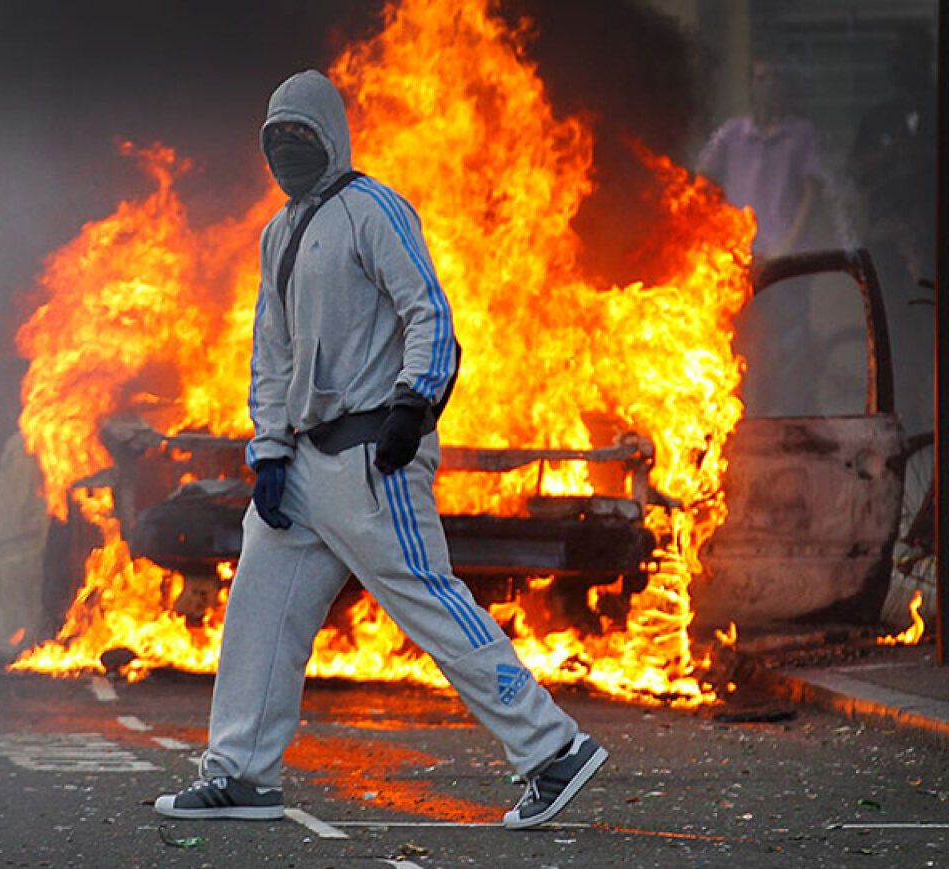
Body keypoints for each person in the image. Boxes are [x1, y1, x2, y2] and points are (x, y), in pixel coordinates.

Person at [153, 69, 606, 830]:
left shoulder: (375, 209)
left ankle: (553, 749)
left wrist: (412, 405)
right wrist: (266, 450)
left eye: (301, 134)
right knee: (258, 608)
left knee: (429, 603)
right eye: (276, 137)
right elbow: (271, 351)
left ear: (332, 135)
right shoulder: (278, 231)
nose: (287, 149)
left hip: (373, 454)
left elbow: (429, 312)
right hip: (299, 465)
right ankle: (240, 775)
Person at [697, 56, 826, 417]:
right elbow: (702, 183)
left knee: (787, 346)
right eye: (761, 78)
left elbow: (812, 195)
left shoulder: (801, 135)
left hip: (787, 261)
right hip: (740, 261)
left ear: (786, 87)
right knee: (741, 346)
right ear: (751, 86)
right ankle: (744, 420)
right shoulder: (732, 135)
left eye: (775, 79)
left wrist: (787, 245)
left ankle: (788, 422)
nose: (768, 86)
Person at [849, 24, 936, 433]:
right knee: (894, 330)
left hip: (931, 242)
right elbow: (855, 171)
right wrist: (889, 155)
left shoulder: (937, 108)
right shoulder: (877, 116)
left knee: (928, 331)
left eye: (910, 57)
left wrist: (917, 154)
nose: (902, 66)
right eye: (896, 58)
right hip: (887, 241)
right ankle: (903, 415)